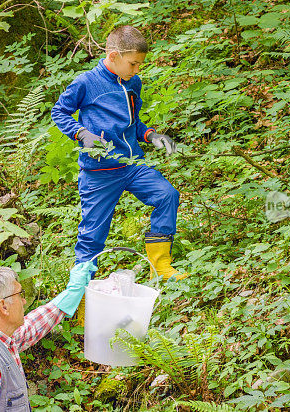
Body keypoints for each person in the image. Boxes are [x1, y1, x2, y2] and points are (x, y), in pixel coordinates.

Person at [51, 25, 185, 280]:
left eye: (139, 65)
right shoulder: (86, 82)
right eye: (133, 64)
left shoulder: (133, 82)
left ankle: (161, 267)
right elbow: (59, 112)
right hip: (98, 173)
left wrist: (151, 135)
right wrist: (82, 134)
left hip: (132, 165)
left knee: (167, 195)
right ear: (113, 56)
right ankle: (81, 297)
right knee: (92, 237)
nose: (137, 70)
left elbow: (133, 124)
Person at [0, 261, 96, 411]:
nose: (24, 300)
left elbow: (32, 327)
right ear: (3, 306)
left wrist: (71, 293)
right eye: (20, 294)